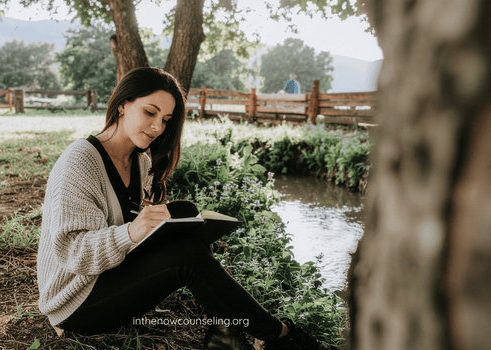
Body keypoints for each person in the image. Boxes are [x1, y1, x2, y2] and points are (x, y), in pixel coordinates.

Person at [36, 67, 334, 350]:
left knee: (187, 226)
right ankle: (278, 337)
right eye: (150, 112)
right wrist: (132, 230)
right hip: (74, 303)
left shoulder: (140, 161)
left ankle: (226, 332)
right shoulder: (80, 161)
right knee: (186, 256)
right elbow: (73, 252)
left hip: (105, 278)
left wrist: (156, 226)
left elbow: (123, 228)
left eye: (166, 119)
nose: (157, 127)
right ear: (123, 104)